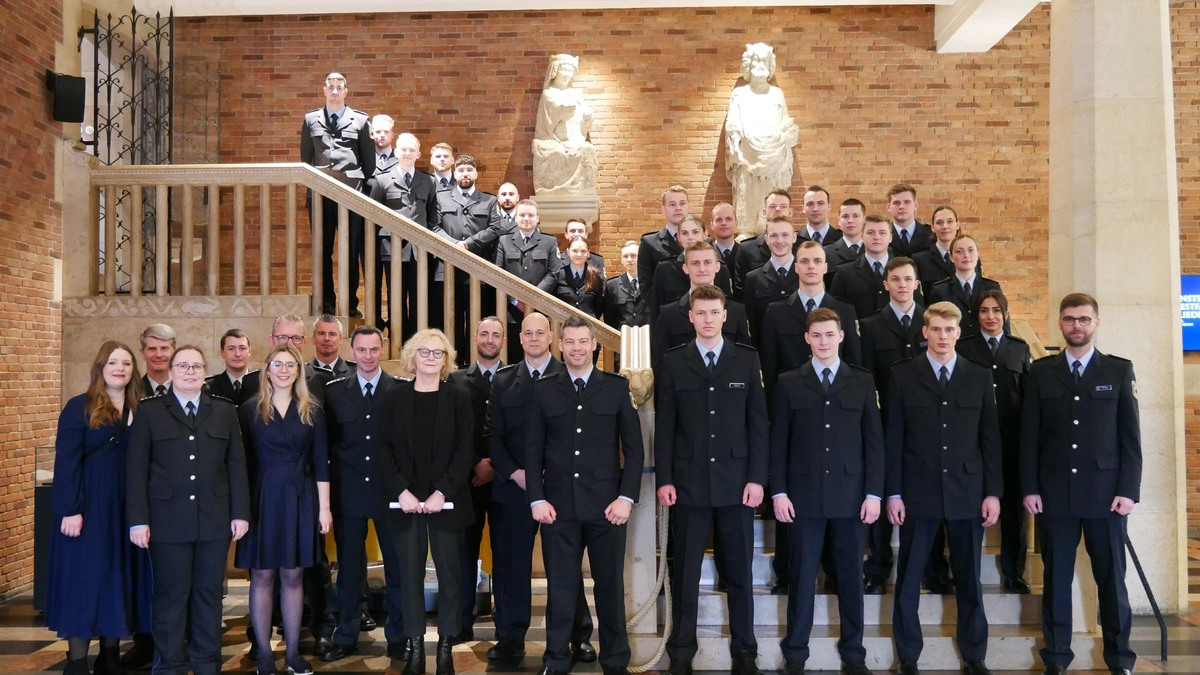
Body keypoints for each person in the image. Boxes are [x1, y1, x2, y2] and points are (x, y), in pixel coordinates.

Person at [1020, 293, 1140, 675]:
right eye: (1070, 319)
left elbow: (1130, 439)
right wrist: (1030, 487)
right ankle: (1056, 658)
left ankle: (1120, 659)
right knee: (1055, 581)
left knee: (1112, 582)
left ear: (1096, 323)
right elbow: (1029, 437)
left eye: (1084, 319)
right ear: (1059, 323)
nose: (1077, 326)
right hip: (1054, 496)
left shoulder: (1118, 371)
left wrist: (1128, 491)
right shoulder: (1040, 372)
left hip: (1106, 497)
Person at [655, 284, 767, 675]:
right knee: (684, 573)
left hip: (737, 483)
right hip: (687, 483)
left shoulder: (746, 360)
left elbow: (757, 425)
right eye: (699, 313)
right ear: (690, 316)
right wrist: (664, 477)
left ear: (725, 315)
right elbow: (666, 426)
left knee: (739, 572)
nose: (707, 319)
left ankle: (745, 650)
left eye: (713, 312)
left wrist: (757, 478)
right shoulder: (673, 362)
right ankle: (682, 650)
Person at [885, 302, 1001, 675]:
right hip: (918, 490)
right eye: (935, 329)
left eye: (949, 330)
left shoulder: (979, 376)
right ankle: (908, 656)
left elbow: (990, 439)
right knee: (909, 578)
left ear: (958, 333)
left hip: (967, 490)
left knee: (969, 578)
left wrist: (993, 492)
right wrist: (894, 492)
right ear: (925, 332)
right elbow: (894, 439)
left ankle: (975, 655)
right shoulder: (903, 375)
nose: (942, 337)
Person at [527, 315, 644, 675]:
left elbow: (634, 449)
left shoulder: (615, 387)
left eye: (583, 341)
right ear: (559, 345)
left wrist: (626, 498)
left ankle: (615, 662)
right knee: (560, 591)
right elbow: (532, 450)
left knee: (609, 590)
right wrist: (536, 498)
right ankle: (556, 660)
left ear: (594, 345)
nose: (576, 348)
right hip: (558, 508)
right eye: (570, 342)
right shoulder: (545, 388)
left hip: (607, 508)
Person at [770, 309, 883, 675]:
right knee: (801, 578)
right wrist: (780, 491)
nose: (823, 341)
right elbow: (778, 443)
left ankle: (854, 654)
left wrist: (874, 494)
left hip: (852, 498)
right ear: (807, 339)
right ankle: (796, 654)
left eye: (829, 335)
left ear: (841, 336)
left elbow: (874, 443)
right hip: (802, 497)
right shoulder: (788, 382)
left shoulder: (862, 382)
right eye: (816, 335)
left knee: (851, 577)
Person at [126, 345, 251, 675]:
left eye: (196, 367)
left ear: (204, 371)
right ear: (171, 371)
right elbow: (136, 469)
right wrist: (137, 520)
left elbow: (236, 465)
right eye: (183, 366)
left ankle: (206, 662)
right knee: (171, 596)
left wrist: (241, 512)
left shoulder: (224, 410)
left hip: (214, 519)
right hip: (166, 521)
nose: (190, 372)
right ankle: (169, 665)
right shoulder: (150, 411)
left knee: (208, 596)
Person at [485, 312, 596, 666]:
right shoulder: (504, 381)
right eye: (527, 333)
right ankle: (510, 637)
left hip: (562, 489)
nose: (533, 338)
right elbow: (493, 435)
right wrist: (517, 474)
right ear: (520, 339)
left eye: (540, 333)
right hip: (514, 489)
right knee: (510, 566)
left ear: (552, 338)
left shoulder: (572, 377)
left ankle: (578, 636)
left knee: (565, 567)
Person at [46, 341, 151, 675]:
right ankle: (76, 662)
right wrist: (70, 509)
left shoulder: (143, 408)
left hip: (126, 508)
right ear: (100, 367)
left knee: (117, 578)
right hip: (88, 508)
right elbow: (66, 462)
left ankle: (110, 657)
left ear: (133, 370)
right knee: (85, 580)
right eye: (113, 362)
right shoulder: (80, 407)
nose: (119, 368)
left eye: (126, 363)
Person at [379, 329, 475, 675]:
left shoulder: (459, 397)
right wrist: (402, 491)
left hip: (446, 503)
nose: (431, 358)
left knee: (451, 577)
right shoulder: (393, 397)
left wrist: (441, 493)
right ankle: (415, 647)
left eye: (438, 353)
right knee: (408, 576)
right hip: (404, 502)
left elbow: (466, 451)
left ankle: (446, 647)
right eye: (425, 352)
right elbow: (383, 449)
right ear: (412, 357)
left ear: (447, 360)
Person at [235, 343, 331, 675]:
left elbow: (321, 463)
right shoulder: (249, 410)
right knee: (262, 575)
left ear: (299, 371)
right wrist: (240, 510)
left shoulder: (312, 409)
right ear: (267, 369)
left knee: (293, 574)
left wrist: (324, 509)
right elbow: (240, 464)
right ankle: (263, 653)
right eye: (278, 364)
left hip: (300, 496)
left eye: (291, 365)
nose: (284, 370)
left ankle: (292, 653)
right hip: (261, 496)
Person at [320, 326, 410, 663]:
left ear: (382, 349)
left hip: (390, 493)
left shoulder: (399, 390)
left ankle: (399, 637)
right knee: (348, 569)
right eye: (362, 350)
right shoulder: (334, 392)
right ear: (351, 350)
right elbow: (327, 445)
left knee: (397, 568)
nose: (368, 356)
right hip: (349, 491)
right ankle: (346, 634)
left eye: (374, 349)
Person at [956, 290, 1031, 593]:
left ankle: (1014, 574)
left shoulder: (1019, 349)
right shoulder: (964, 348)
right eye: (984, 311)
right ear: (976, 316)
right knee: (973, 515)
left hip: (1012, 445)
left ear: (1006, 315)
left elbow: (1028, 399)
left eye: (996, 311)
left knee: (1014, 515)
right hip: (974, 446)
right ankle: (967, 575)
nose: (990, 316)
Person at [447, 317, 505, 643]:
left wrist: (495, 465)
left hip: (504, 481)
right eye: (484, 333)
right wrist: (474, 464)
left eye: (495, 334)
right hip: (466, 483)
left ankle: (506, 623)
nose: (489, 339)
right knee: (463, 555)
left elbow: (519, 430)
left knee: (505, 553)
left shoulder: (514, 378)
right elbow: (450, 432)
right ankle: (461, 622)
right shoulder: (456, 380)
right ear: (476, 338)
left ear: (503, 339)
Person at [300, 71, 374, 317]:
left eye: (338, 87)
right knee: (322, 250)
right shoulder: (311, 119)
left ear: (345, 91)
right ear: (324, 90)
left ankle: (350, 303)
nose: (334, 91)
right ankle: (327, 303)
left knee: (350, 251)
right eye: (330, 87)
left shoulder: (361, 121)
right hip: (320, 195)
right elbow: (306, 160)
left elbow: (369, 163)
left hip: (351, 194)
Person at [760, 240, 862, 399]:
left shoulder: (845, 311)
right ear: (796, 268)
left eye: (817, 261)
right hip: (791, 397)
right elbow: (769, 364)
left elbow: (853, 362)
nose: (811, 266)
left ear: (825, 267)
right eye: (804, 261)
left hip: (835, 397)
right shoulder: (776, 311)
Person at [367, 125, 440, 339]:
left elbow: (432, 215)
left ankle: (416, 340)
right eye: (403, 149)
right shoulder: (382, 180)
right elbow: (373, 215)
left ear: (418, 154)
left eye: (411, 150)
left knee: (419, 298)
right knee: (396, 296)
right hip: (392, 248)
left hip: (420, 250)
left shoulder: (429, 181)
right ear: (396, 152)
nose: (407, 153)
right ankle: (398, 340)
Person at [725, 43, 799, 235]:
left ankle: (773, 228)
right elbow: (733, 122)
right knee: (747, 191)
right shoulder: (739, 93)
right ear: (747, 65)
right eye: (755, 61)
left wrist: (786, 135)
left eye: (763, 61)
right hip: (747, 153)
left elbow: (785, 121)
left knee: (773, 190)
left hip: (773, 153)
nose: (759, 65)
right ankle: (747, 229)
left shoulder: (776, 93)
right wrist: (734, 140)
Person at [434, 154, 504, 354]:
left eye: (469, 170)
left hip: (477, 270)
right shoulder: (441, 197)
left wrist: (469, 244)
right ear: (455, 174)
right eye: (461, 170)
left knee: (476, 320)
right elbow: (434, 227)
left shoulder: (489, 200)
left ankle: (473, 363)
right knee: (450, 320)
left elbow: (495, 228)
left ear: (476, 174)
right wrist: (454, 244)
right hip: (447, 269)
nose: (465, 174)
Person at [651, 243, 751, 367]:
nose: (702, 269)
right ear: (685, 268)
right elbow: (660, 363)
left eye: (707, 262)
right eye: (695, 263)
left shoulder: (736, 310)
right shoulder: (669, 313)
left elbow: (745, 358)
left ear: (717, 267)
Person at [495, 199, 562, 362]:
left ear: (538, 218)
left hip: (541, 310)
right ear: (516, 218)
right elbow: (498, 273)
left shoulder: (549, 241)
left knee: (540, 355)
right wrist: (515, 299)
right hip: (512, 311)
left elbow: (553, 273)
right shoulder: (504, 241)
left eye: (531, 215)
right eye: (522, 215)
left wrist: (532, 299)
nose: (526, 218)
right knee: (514, 357)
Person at [533, 53, 597, 195]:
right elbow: (552, 113)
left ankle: (580, 189)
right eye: (564, 69)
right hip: (554, 139)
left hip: (574, 139)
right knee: (555, 152)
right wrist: (562, 111)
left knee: (587, 149)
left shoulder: (576, 95)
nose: (567, 74)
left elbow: (584, 119)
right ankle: (554, 189)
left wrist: (587, 117)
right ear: (555, 71)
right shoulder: (548, 93)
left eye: (570, 70)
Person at [649, 215, 732, 323]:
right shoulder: (665, 268)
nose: (690, 237)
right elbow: (656, 308)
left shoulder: (720, 268)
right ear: (678, 237)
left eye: (695, 232)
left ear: (705, 234)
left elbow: (727, 304)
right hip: (676, 326)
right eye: (685, 233)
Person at [926, 234, 1002, 335]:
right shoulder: (940, 290)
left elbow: (1003, 322)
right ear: (951, 257)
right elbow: (934, 325)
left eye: (970, 250)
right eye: (959, 251)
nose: (966, 255)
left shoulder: (992, 287)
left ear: (978, 254)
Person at [741, 217, 798, 345]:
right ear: (766, 239)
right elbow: (752, 323)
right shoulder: (753, 278)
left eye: (785, 235)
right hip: (766, 351)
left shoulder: (806, 274)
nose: (779, 241)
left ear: (794, 237)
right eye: (773, 236)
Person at [830, 215, 894, 318]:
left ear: (890, 237)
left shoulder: (904, 270)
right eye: (870, 232)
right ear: (862, 236)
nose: (876, 237)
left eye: (882, 233)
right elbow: (835, 312)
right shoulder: (845, 272)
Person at [910, 206, 982, 299]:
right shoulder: (919, 259)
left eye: (950, 221)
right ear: (932, 227)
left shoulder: (970, 257)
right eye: (939, 222)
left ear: (957, 225)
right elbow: (917, 296)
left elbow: (978, 288)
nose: (945, 226)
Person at [733, 190, 794, 294]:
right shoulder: (747, 249)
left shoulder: (802, 247)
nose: (778, 210)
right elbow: (741, 290)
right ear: (764, 212)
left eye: (783, 206)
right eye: (772, 206)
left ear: (790, 212)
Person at [637, 185, 690, 301]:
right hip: (665, 309)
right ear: (663, 209)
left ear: (688, 207)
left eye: (682, 203)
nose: (678, 208)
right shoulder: (649, 243)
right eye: (672, 204)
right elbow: (646, 285)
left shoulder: (703, 241)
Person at [603, 240, 648, 371]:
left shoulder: (651, 283)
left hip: (647, 345)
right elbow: (610, 319)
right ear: (621, 260)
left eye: (634, 256)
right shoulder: (612, 286)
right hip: (622, 347)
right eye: (626, 256)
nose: (629, 259)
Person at [554, 236, 606, 319]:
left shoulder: (596, 276)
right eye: (575, 251)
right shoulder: (559, 274)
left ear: (588, 253)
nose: (579, 254)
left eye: (583, 251)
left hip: (588, 326)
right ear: (568, 252)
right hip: (564, 325)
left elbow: (599, 305)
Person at [205, 328, 259, 406]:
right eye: (231, 349)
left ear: (249, 351)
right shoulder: (209, 387)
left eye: (242, 348)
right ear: (222, 352)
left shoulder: (262, 384)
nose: (237, 354)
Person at [885, 184, 933, 258]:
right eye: (896, 203)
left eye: (907, 202)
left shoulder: (930, 234)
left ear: (915, 205)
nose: (901, 206)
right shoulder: (882, 235)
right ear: (888, 207)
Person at [708, 203, 742, 299]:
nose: (724, 223)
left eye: (728, 219)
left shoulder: (746, 254)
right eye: (718, 220)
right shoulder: (706, 255)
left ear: (736, 222)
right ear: (711, 224)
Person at [823, 199, 867, 272]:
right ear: (839, 221)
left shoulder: (875, 250)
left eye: (855, 216)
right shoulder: (826, 253)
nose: (850, 220)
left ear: (864, 220)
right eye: (845, 216)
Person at [139, 323, 176, 398]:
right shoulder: (132, 391)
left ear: (175, 352)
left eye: (164, 348)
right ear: (143, 353)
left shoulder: (187, 389)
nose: (158, 355)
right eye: (152, 349)